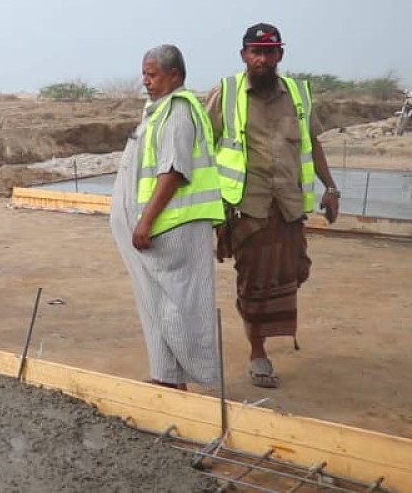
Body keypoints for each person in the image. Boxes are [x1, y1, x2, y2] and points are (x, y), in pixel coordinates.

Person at [207, 23, 340, 389]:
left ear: (280, 54)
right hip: (247, 209)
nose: (262, 59)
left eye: (269, 52)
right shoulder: (227, 93)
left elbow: (312, 143)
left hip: (289, 207)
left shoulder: (298, 93)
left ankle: (266, 338)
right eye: (255, 52)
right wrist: (206, 208)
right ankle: (257, 353)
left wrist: (331, 188)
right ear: (244, 55)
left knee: (291, 273)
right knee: (253, 281)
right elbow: (204, 146)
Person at [110, 44, 223, 391]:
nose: (146, 81)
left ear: (175, 75)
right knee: (155, 304)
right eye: (144, 74)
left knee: (177, 306)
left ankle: (187, 374)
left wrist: (145, 221)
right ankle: (166, 377)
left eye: (152, 74)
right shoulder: (156, 111)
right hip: (156, 231)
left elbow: (173, 171)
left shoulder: (177, 113)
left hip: (171, 228)